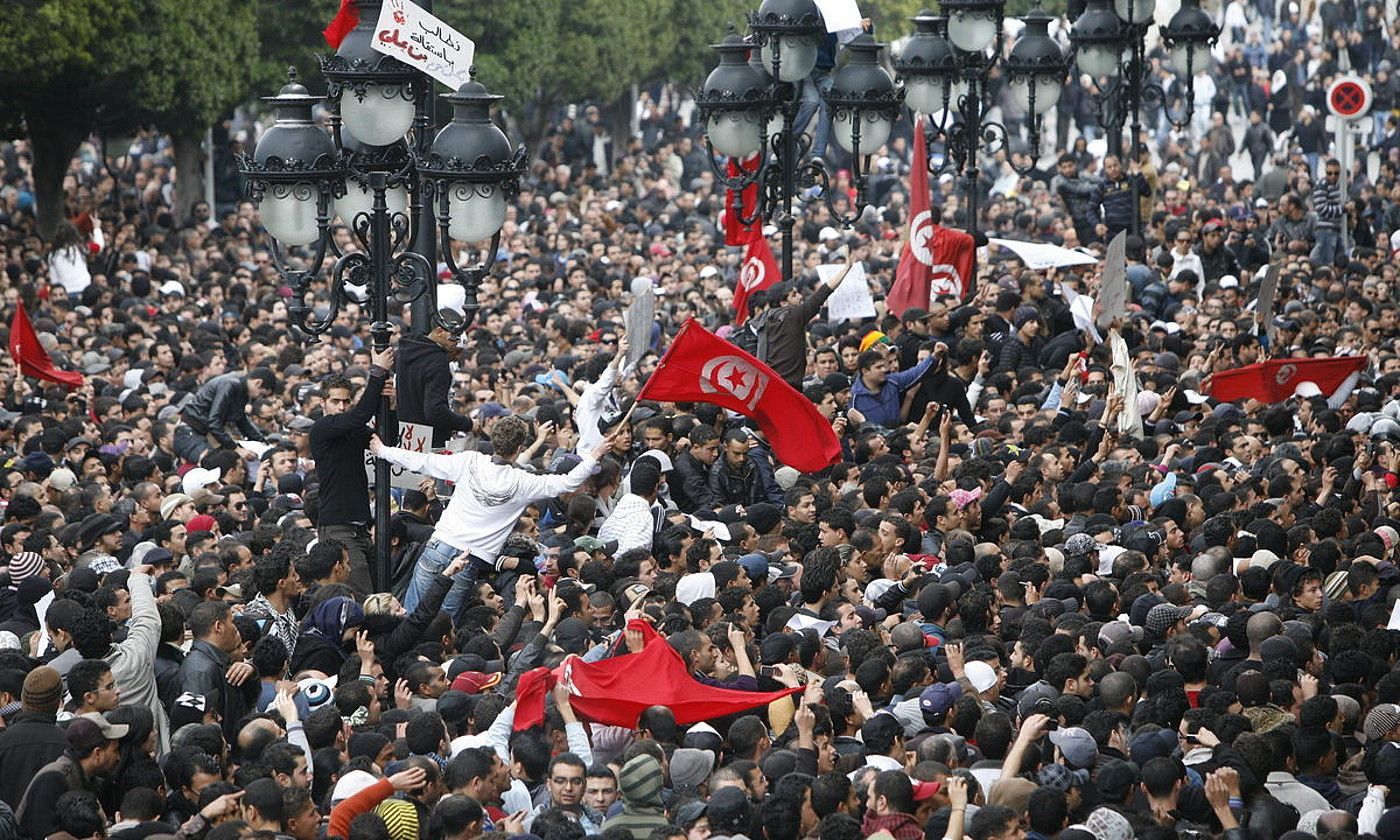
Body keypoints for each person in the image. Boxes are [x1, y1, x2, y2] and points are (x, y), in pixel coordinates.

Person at [373, 416, 616, 616]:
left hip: (438, 548)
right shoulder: (523, 481)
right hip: (467, 560)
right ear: (519, 447)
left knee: (413, 614)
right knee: (443, 622)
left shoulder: (470, 462)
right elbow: (567, 482)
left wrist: (382, 450)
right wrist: (594, 455)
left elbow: (422, 461)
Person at [310, 344, 394, 594]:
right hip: (338, 527)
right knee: (363, 599)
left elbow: (386, 441)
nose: (342, 406)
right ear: (323, 403)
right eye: (335, 401)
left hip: (361, 528)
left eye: (346, 401)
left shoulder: (353, 429)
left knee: (379, 594)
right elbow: (359, 416)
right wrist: (378, 372)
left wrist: (391, 408)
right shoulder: (322, 429)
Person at [173, 368, 278, 464]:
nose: (259, 398)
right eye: (261, 394)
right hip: (190, 432)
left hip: (205, 433)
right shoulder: (230, 384)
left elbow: (242, 421)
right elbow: (214, 422)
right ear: (258, 383)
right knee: (215, 464)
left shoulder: (242, 390)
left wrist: (263, 443)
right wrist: (235, 448)